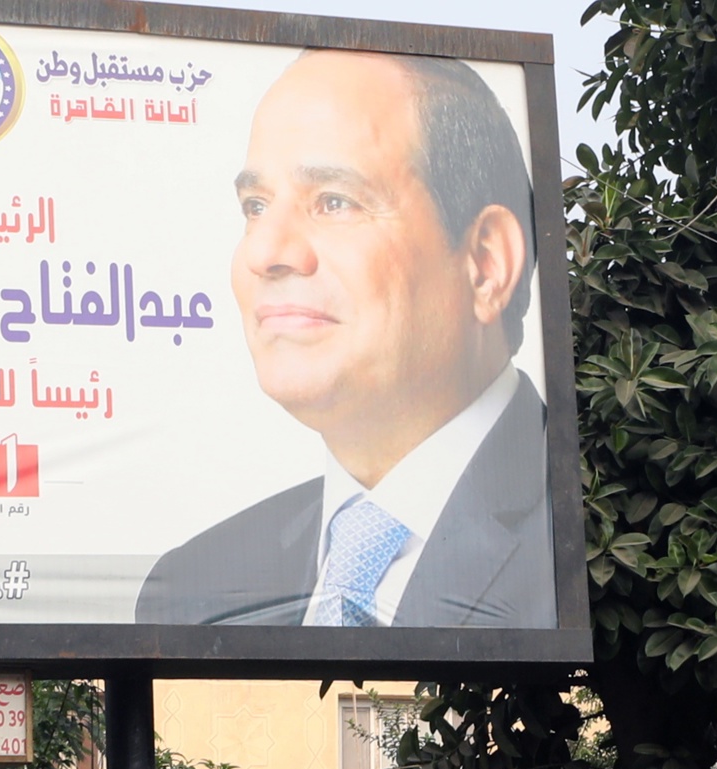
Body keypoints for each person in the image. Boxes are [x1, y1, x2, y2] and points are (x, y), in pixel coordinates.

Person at [135, 50, 553, 630]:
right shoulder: (191, 589)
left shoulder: (592, 546)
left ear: (486, 263)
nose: (265, 253)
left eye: (334, 202)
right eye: (255, 207)